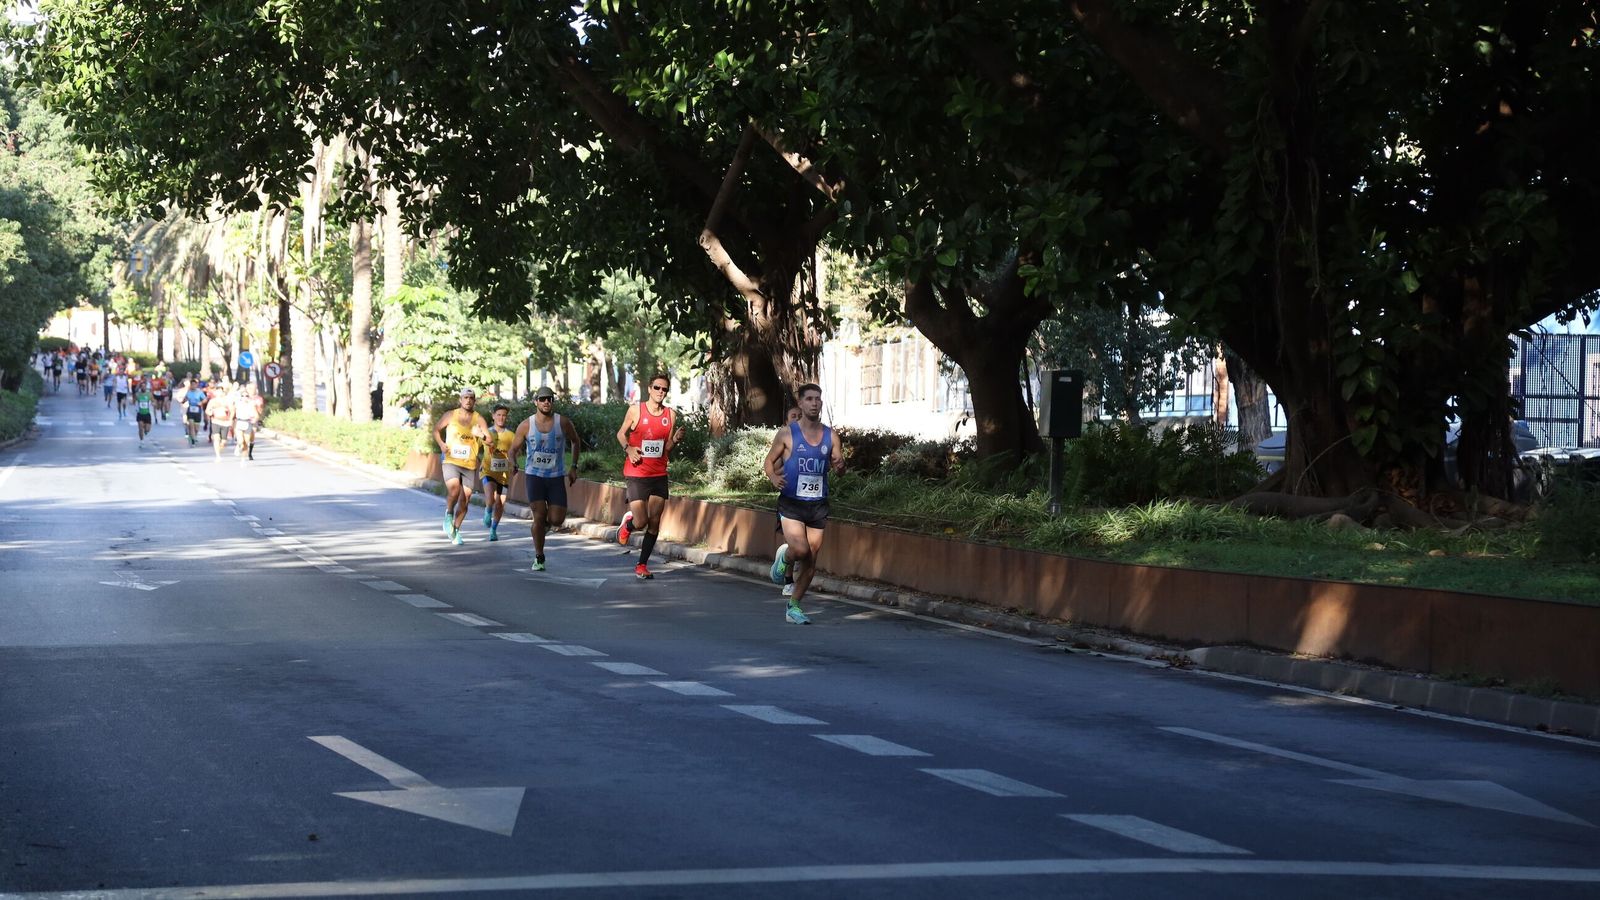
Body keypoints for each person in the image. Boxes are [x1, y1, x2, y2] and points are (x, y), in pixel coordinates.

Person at [763, 383, 844, 625]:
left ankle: (794, 606)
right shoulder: (788, 433)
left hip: (817, 505)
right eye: (809, 398)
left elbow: (839, 468)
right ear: (801, 403)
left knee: (811, 560)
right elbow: (769, 461)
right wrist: (773, 476)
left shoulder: (831, 436)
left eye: (818, 398)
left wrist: (841, 466)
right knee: (800, 550)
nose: (814, 403)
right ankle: (784, 559)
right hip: (791, 503)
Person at [615, 373, 685, 579]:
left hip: (658, 473)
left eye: (664, 389)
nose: (660, 392)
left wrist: (676, 439)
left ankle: (642, 565)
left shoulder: (670, 415)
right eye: (657, 388)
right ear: (649, 388)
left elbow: (666, 448)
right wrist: (628, 449)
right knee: (641, 521)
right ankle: (628, 524)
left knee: (654, 522)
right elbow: (621, 434)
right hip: (637, 473)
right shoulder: (636, 410)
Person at [513, 386, 581, 571]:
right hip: (534, 476)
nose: (546, 402)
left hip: (556, 476)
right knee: (539, 515)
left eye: (549, 399)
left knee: (557, 519)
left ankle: (543, 527)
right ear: (536, 402)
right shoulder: (526, 425)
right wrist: (513, 463)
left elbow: (576, 441)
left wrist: (573, 466)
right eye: (542, 399)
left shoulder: (563, 422)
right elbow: (513, 449)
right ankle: (539, 556)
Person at [433, 387, 489, 546]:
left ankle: (455, 530)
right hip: (451, 460)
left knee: (465, 500)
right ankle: (449, 514)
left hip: (469, 464)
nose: (468, 400)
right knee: (454, 489)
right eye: (465, 397)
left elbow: (490, 441)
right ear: (460, 399)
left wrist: (482, 436)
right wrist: (441, 444)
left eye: (471, 398)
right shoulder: (451, 415)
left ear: (474, 401)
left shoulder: (479, 419)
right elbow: (436, 430)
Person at [478, 404, 516, 541]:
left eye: (504, 415)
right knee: (491, 499)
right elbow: (477, 448)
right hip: (488, 471)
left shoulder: (511, 435)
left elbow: (514, 453)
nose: (501, 417)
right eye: (498, 415)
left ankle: (493, 529)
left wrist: (514, 463)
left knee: (500, 503)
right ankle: (488, 511)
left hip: (503, 474)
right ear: (493, 416)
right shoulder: (487, 433)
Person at [234, 384, 264, 463]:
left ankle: (245, 457)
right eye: (243, 396)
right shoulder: (237, 403)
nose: (244, 397)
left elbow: (257, 414)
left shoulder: (252, 403)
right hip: (240, 422)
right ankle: (238, 446)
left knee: (247, 442)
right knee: (240, 441)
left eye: (246, 396)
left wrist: (255, 419)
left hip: (248, 423)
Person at [205, 382, 235, 461]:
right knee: (216, 438)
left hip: (225, 422)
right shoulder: (212, 401)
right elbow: (207, 410)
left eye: (220, 391)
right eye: (217, 391)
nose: (219, 393)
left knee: (223, 441)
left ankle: (220, 449)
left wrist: (231, 419)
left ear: (223, 392)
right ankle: (218, 456)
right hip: (216, 421)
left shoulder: (227, 401)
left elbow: (232, 410)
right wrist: (210, 413)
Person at [182, 378, 206, 446]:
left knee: (196, 428)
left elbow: (205, 399)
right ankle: (193, 439)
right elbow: (184, 400)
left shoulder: (199, 392)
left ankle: (193, 435)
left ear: (196, 385)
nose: (193, 386)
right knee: (191, 425)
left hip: (197, 410)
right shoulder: (188, 392)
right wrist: (184, 400)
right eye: (192, 385)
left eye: (194, 384)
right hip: (190, 410)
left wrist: (201, 403)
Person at [133, 377, 155, 444]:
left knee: (147, 429)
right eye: (142, 387)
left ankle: (145, 431)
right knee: (140, 427)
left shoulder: (149, 394)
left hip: (147, 413)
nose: (143, 388)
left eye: (144, 386)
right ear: (140, 387)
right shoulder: (137, 395)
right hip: (140, 413)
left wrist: (153, 404)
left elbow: (153, 401)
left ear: (146, 387)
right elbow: (133, 402)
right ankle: (141, 441)